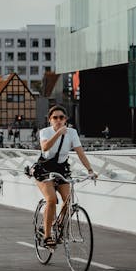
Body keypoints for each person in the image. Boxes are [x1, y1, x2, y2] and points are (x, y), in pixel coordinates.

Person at [34, 105, 96, 247]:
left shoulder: (72, 133)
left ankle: (58, 225)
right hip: (44, 169)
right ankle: (47, 236)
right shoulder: (45, 131)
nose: (58, 120)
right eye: (55, 118)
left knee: (68, 200)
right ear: (50, 120)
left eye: (61, 117)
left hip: (61, 169)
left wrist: (90, 170)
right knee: (51, 199)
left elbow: (80, 153)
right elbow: (45, 147)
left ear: (66, 119)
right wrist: (58, 134)